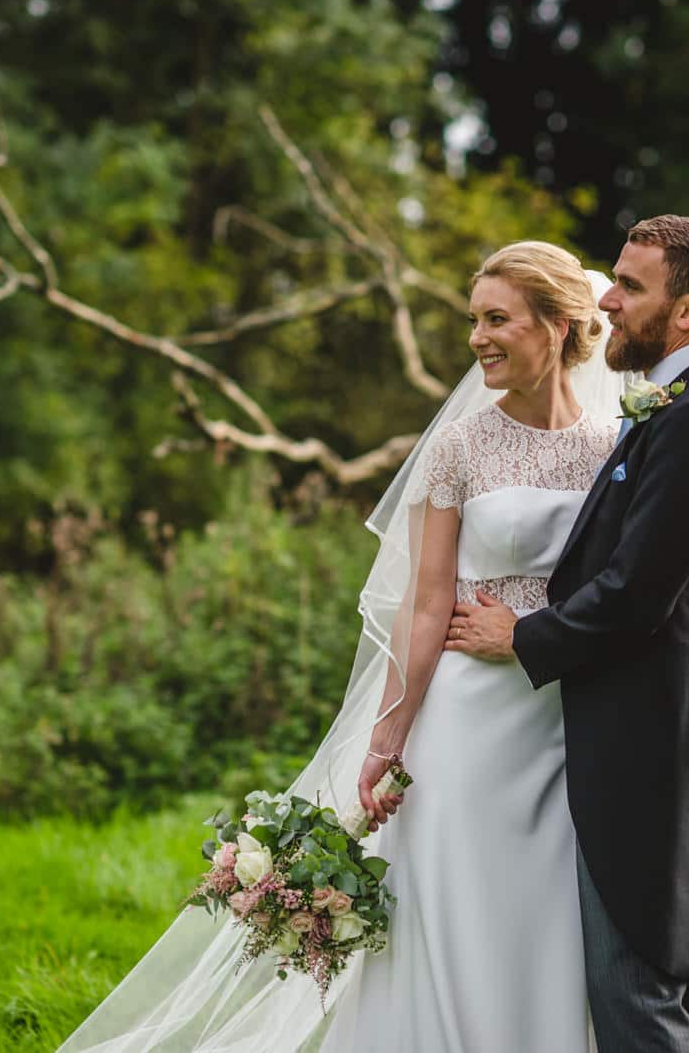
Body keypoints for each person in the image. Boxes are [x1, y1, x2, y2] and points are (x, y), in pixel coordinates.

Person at [57, 240, 623, 1053]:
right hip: (465, 722)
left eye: (497, 318)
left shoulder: (614, 447)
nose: (477, 338)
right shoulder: (460, 445)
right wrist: (386, 736)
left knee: (543, 918)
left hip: (563, 723)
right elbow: (427, 604)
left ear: (561, 325)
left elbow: (643, 573)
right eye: (473, 319)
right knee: (450, 910)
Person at [447, 215, 689, 1053]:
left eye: (630, 286)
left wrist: (523, 635)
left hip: (651, 728)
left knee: (637, 987)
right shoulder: (681, 400)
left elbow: (632, 595)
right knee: (681, 983)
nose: (609, 298)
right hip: (651, 717)